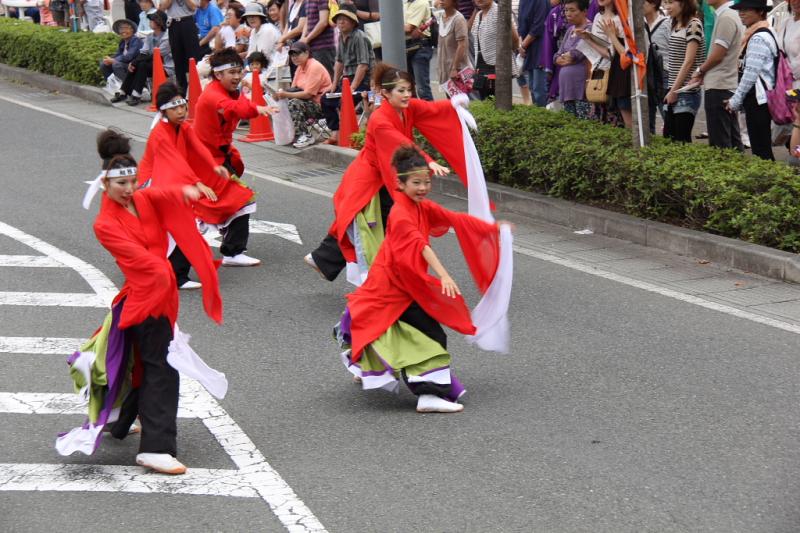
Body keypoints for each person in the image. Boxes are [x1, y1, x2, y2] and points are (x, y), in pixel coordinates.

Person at [56, 129, 222, 474]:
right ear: (105, 184)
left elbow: (159, 193)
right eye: (122, 184)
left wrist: (185, 189)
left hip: (160, 295)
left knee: (145, 364)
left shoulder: (141, 200)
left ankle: (122, 422)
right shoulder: (105, 224)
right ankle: (155, 448)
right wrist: (166, 278)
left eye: (133, 181)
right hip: (146, 300)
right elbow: (140, 262)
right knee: (162, 367)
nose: (129, 189)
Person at [336, 146, 511, 414]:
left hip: (401, 282)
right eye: (416, 183)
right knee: (430, 334)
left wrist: (492, 229)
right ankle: (428, 394)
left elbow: (453, 218)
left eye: (427, 182)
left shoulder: (420, 206)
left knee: (383, 326)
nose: (423, 187)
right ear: (400, 183)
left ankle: (368, 366)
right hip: (394, 285)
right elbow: (420, 245)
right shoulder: (401, 213)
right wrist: (443, 274)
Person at [305, 64, 472, 285]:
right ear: (385, 93)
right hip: (368, 180)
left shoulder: (407, 107)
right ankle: (374, 279)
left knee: (373, 222)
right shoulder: (380, 119)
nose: (406, 95)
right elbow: (402, 143)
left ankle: (324, 259)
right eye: (400, 91)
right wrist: (429, 162)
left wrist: (453, 105)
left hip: (385, 176)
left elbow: (430, 109)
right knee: (368, 225)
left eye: (408, 90)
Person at [139, 82, 260, 285]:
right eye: (174, 107)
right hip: (154, 184)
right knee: (177, 228)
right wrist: (197, 183)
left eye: (182, 106)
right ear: (163, 111)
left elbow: (198, 148)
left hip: (172, 182)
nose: (180, 111)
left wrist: (214, 167)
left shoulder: (183, 127)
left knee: (185, 226)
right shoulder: (161, 134)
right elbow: (175, 162)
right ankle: (170, 273)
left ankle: (173, 273)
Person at [193, 48, 277, 266]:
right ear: (218, 75)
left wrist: (255, 106)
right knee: (238, 198)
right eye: (232, 72)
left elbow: (238, 104)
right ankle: (231, 251)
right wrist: (257, 109)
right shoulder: (213, 95)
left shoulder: (229, 91)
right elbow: (233, 108)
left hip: (220, 156)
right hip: (205, 161)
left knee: (231, 201)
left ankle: (232, 249)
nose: (238, 76)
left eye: (240, 71)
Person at [726, 0, 777, 160]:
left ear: (761, 11)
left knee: (761, 149)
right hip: (759, 98)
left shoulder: (758, 38)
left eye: (746, 9)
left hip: (758, 100)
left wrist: (735, 100)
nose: (741, 13)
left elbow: (750, 74)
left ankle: (768, 183)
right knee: (761, 146)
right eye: (739, 9)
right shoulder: (760, 33)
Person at [690, 0, 744, 149]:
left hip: (719, 85)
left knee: (720, 144)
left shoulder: (726, 17)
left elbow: (718, 55)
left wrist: (700, 70)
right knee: (731, 141)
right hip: (724, 83)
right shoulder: (728, 14)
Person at [320, 4, 374, 145]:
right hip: (347, 81)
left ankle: (351, 137)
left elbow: (363, 65)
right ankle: (335, 134)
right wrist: (333, 85)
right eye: (339, 19)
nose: (341, 22)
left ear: (353, 22)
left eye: (345, 19)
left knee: (343, 101)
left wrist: (353, 87)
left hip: (366, 82)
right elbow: (339, 62)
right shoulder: (341, 37)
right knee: (326, 98)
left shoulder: (359, 37)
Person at [577, 0, 632, 127]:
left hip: (616, 73)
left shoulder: (622, 18)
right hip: (598, 70)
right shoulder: (597, 16)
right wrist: (587, 38)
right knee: (599, 121)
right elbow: (604, 50)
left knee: (618, 120)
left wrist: (609, 37)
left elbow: (615, 54)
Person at [273, 41, 332, 148]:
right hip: (310, 103)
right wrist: (279, 93)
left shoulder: (314, 66)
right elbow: (294, 89)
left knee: (294, 103)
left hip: (323, 106)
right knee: (284, 101)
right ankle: (291, 133)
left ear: (307, 53)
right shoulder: (300, 67)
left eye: (297, 54)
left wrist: (285, 94)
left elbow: (308, 94)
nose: (294, 57)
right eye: (292, 55)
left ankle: (305, 135)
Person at [662, 0, 705, 142]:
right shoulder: (675, 24)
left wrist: (674, 90)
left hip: (686, 92)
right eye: (665, 2)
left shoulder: (694, 25)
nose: (667, 7)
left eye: (670, 2)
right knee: (669, 139)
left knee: (681, 140)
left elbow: (689, 62)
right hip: (674, 89)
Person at [119, 11, 175, 106]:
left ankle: (136, 95)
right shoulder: (150, 36)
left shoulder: (167, 37)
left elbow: (156, 54)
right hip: (151, 64)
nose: (150, 22)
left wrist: (136, 61)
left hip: (166, 67)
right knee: (137, 64)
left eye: (152, 20)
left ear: (159, 22)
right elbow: (143, 52)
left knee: (141, 64)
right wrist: (133, 62)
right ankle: (124, 91)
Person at [471, 0, 521, 100]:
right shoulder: (479, 15)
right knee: (484, 101)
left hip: (497, 66)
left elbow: (514, 39)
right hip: (481, 66)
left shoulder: (499, 11)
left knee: (496, 102)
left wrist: (505, 57)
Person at [555, 0, 593, 118]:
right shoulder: (570, 29)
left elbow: (577, 53)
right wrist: (561, 57)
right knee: (570, 124)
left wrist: (567, 56)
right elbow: (557, 55)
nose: (568, 14)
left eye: (572, 10)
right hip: (566, 86)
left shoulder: (589, 29)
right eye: (566, 10)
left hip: (581, 85)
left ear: (584, 11)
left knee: (583, 121)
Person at [161, 0, 203, 92]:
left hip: (187, 21)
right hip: (173, 23)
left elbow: (193, 7)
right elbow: (162, 7)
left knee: (193, 56)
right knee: (177, 57)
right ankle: (181, 89)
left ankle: (196, 87)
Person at [518, 0, 551, 107]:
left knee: (539, 89)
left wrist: (523, 45)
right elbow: (520, 24)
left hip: (540, 47)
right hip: (528, 47)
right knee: (532, 86)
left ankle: (543, 118)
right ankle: (537, 115)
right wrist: (521, 45)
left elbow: (538, 26)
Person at [644, 0, 670, 134]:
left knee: (666, 113)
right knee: (647, 120)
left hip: (663, 74)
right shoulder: (639, 25)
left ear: (654, 4)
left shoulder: (666, 24)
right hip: (646, 75)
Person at [437, 0, 472, 96]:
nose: (442, 1)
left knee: (460, 102)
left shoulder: (458, 19)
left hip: (457, 70)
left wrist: (454, 68)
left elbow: (462, 45)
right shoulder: (441, 16)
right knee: (451, 102)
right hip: (445, 68)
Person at [103, 20, 144, 104]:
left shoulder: (136, 40)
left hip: (134, 64)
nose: (123, 31)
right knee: (103, 65)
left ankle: (129, 88)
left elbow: (129, 56)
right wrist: (109, 59)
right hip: (124, 63)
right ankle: (116, 89)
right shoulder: (123, 42)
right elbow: (119, 54)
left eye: (126, 28)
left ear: (132, 30)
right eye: (121, 29)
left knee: (116, 65)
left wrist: (113, 60)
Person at [405, 0, 434, 101]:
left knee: (422, 88)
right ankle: (414, 114)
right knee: (408, 87)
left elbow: (408, 27)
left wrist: (392, 26)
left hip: (420, 46)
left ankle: (429, 115)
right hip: (407, 46)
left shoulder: (421, 2)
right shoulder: (405, 3)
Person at [300, 0, 336, 76]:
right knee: (315, 78)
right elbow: (308, 20)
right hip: (311, 47)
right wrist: (303, 37)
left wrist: (307, 38)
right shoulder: (306, 1)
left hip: (323, 46)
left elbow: (323, 22)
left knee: (327, 77)